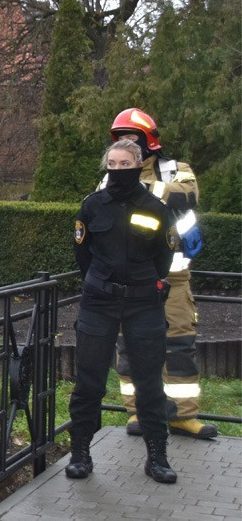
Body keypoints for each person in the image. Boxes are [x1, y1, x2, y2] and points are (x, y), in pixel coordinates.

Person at [68, 139, 177, 484]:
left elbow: (165, 256)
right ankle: (80, 454)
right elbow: (82, 253)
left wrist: (142, 283)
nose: (117, 170)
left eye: (124, 164)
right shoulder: (92, 205)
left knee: (149, 382)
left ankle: (156, 457)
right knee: (89, 381)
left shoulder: (156, 208)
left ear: (139, 164)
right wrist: (101, 282)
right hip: (99, 302)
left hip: (143, 302)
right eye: (111, 164)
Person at [103, 108, 216, 439]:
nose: (127, 144)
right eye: (121, 139)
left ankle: (183, 416)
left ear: (149, 140)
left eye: (133, 138)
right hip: (131, 277)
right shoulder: (111, 175)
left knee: (180, 345)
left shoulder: (175, 170)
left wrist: (139, 186)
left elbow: (188, 194)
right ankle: (137, 413)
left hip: (174, 276)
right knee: (130, 346)